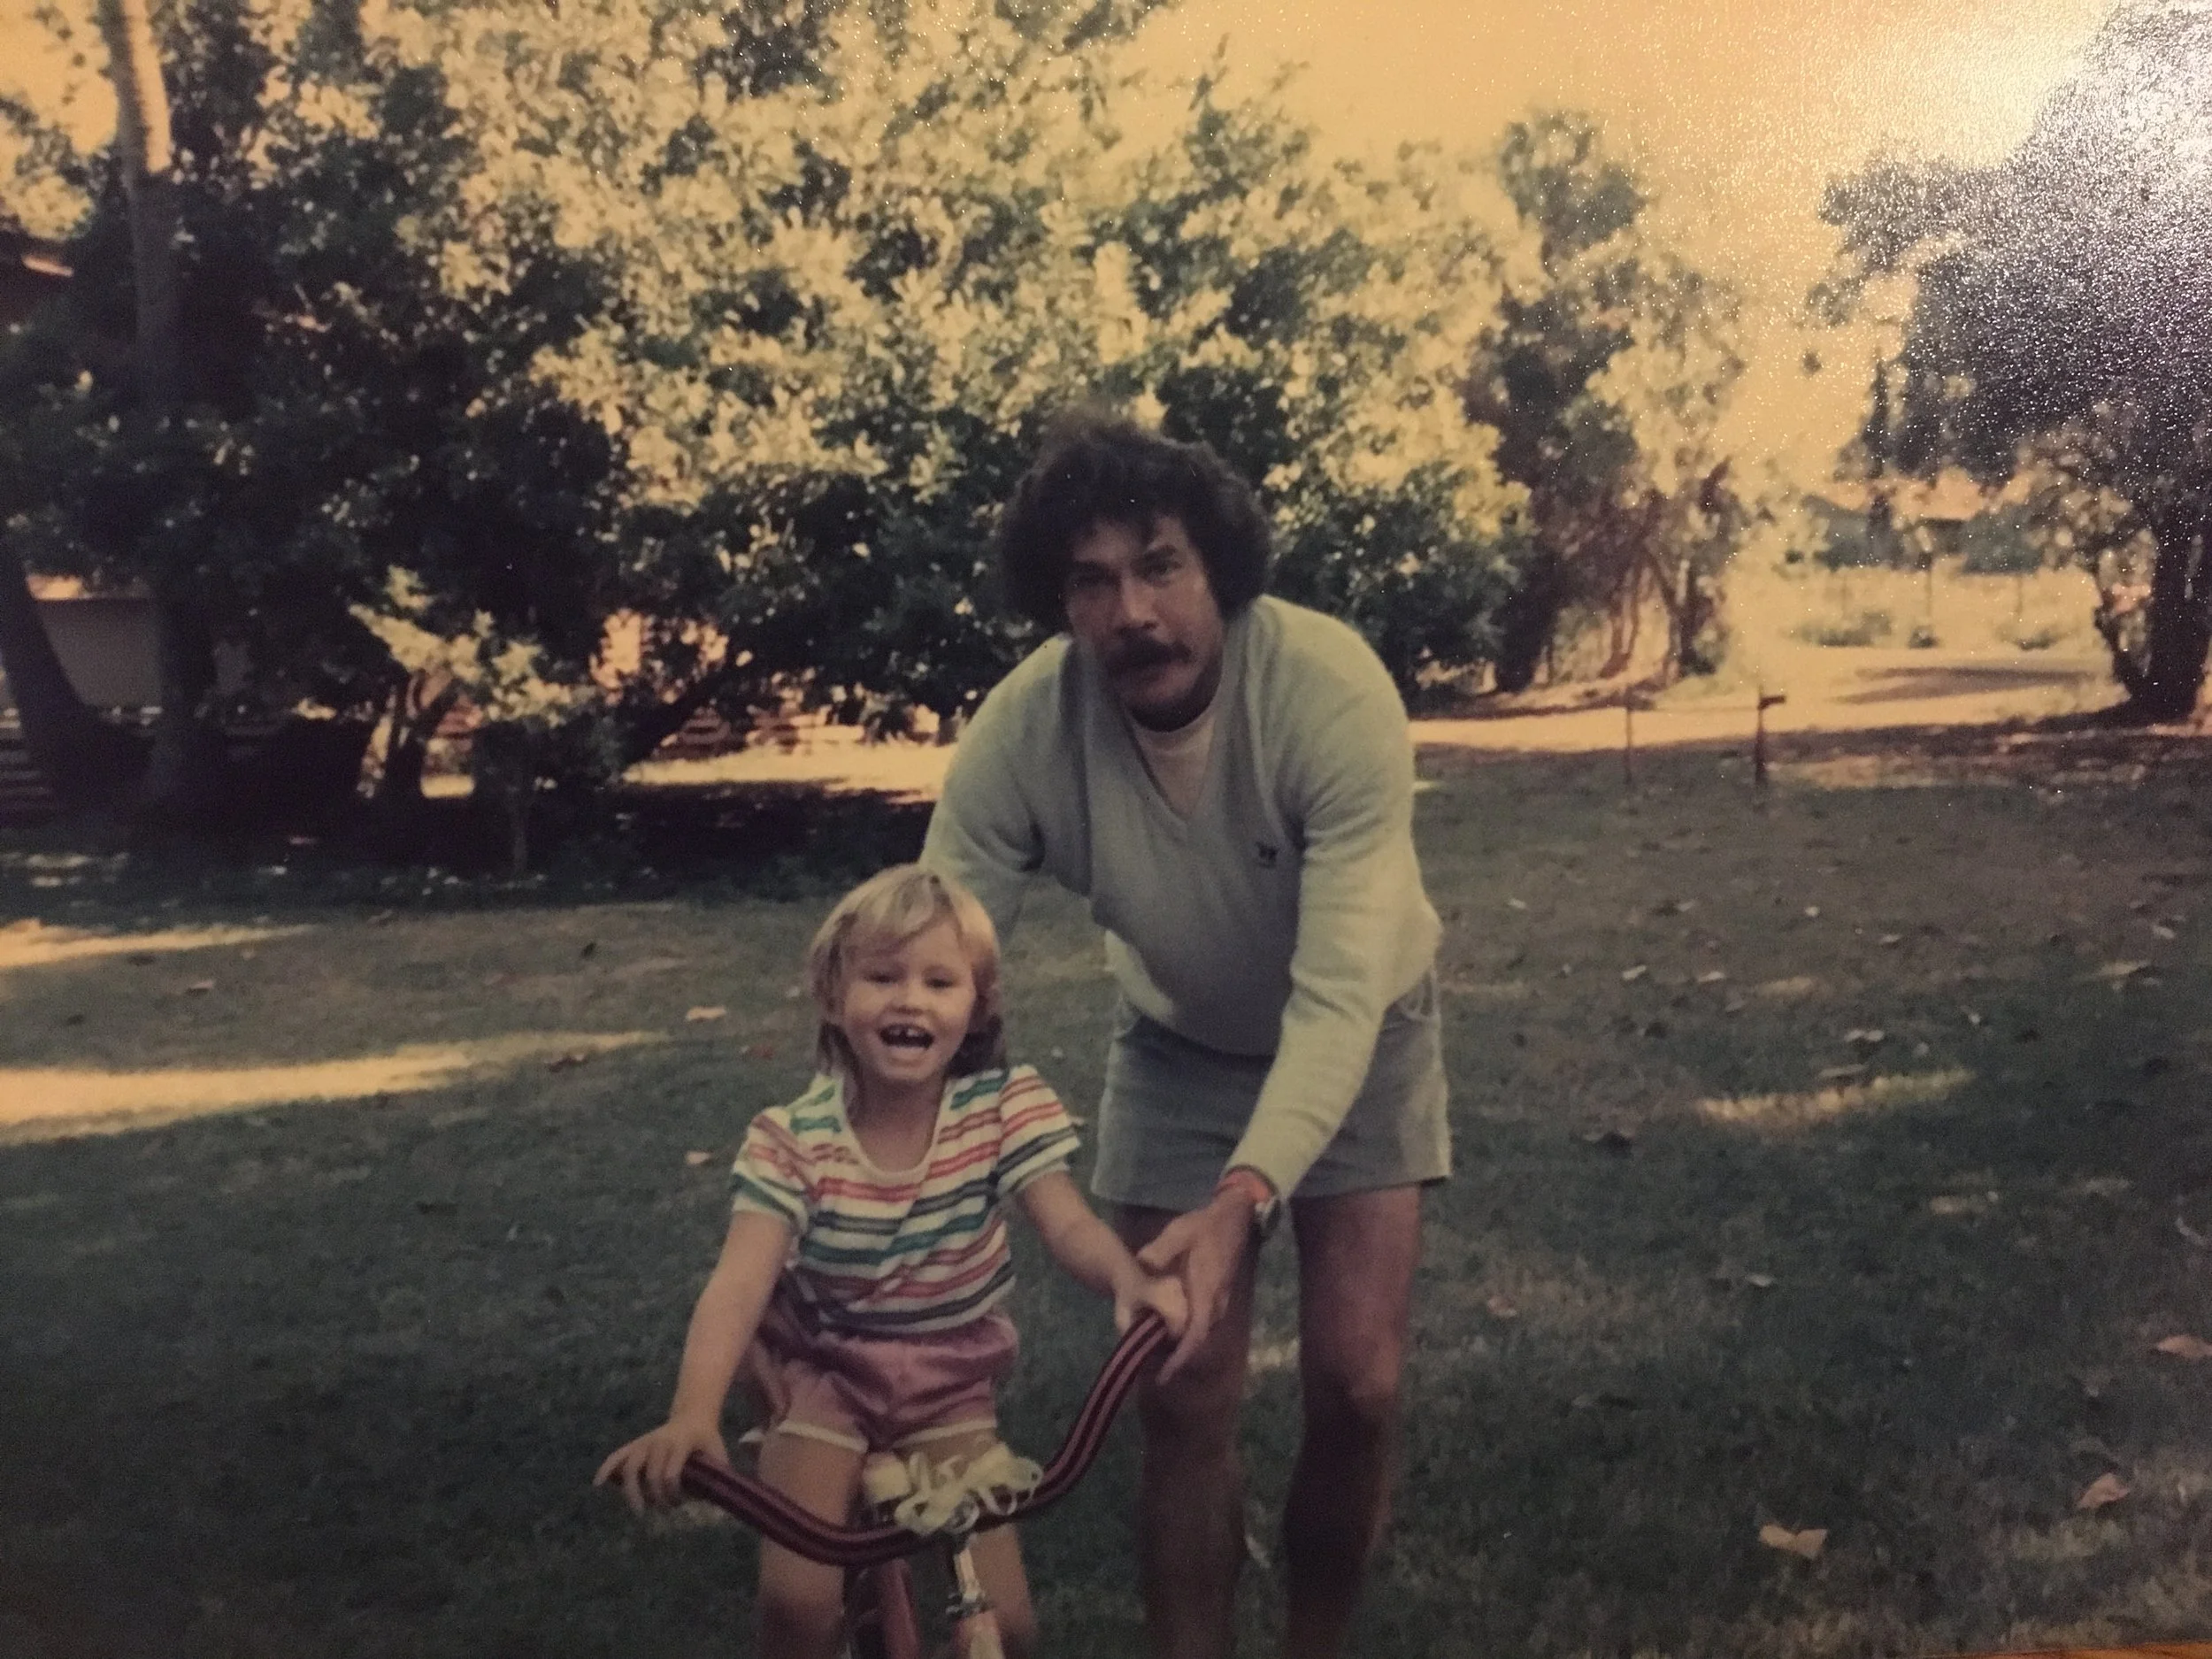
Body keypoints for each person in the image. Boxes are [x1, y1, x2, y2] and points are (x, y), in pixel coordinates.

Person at [920, 411, 1450, 1659]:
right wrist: (881, 1158)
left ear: (1219, 569)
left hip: (1362, 1032)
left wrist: (1243, 1195)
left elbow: (1335, 998)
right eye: (1092, 580)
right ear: (1061, 600)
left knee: (1358, 1383)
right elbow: (932, 955)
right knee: (1181, 1386)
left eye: (1160, 565)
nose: (1132, 611)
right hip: (1175, 1050)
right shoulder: (1023, 729)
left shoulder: (1329, 691)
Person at [596, 863, 1187, 1659]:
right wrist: (694, 1411)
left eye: (940, 981)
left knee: (1006, 1627)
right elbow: (739, 1285)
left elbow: (1068, 1224)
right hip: (827, 1376)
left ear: (976, 1009)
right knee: (799, 1602)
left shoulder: (1002, 1110)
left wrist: (1125, 1275)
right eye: (883, 976)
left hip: (947, 1385)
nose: (910, 998)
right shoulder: (794, 1140)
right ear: (834, 999)